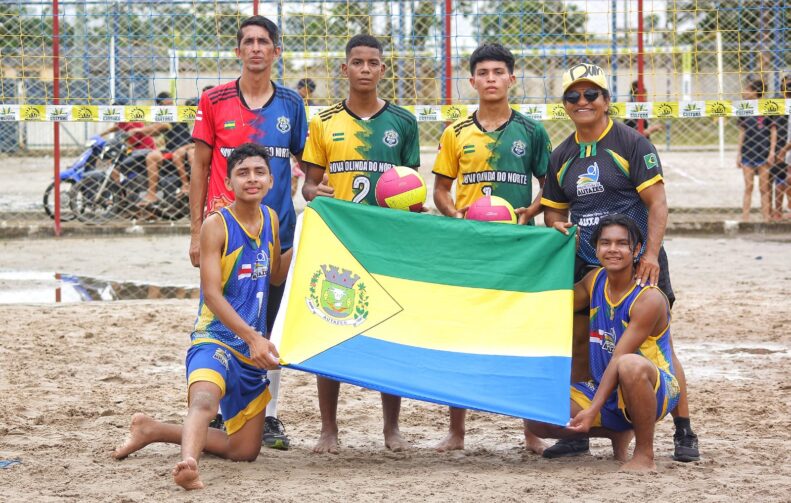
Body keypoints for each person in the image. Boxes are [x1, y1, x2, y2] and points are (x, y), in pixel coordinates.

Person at [540, 62, 699, 462]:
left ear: (606, 101)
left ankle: (683, 429)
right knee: (580, 340)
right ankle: (583, 431)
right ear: (565, 105)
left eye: (591, 94)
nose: (582, 102)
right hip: (588, 266)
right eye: (573, 96)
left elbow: (658, 204)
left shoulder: (631, 144)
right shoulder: (562, 154)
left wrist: (649, 255)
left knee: (657, 344)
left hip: (636, 262)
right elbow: (553, 213)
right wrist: (558, 225)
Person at [112, 143, 290, 490]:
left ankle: (152, 429)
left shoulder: (271, 219)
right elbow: (212, 293)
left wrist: (312, 241)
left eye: (258, 172)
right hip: (215, 338)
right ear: (229, 181)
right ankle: (189, 463)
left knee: (243, 451)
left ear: (271, 180)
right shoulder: (217, 224)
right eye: (242, 173)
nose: (251, 179)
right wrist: (253, 337)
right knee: (205, 402)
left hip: (250, 352)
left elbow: (276, 278)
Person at [189, 15, 308, 450]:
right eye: (249, 42)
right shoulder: (214, 99)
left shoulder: (292, 103)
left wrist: (318, 194)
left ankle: (268, 415)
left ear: (276, 52)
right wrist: (193, 231)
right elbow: (200, 166)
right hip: (228, 235)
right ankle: (220, 408)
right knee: (224, 316)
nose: (256, 48)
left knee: (272, 324)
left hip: (276, 231)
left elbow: (306, 167)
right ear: (238, 51)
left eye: (265, 42)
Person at [301, 34, 420, 453]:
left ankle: (392, 429)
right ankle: (328, 429)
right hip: (340, 243)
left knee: (391, 332)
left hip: (388, 244)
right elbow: (309, 187)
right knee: (330, 327)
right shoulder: (323, 122)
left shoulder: (403, 123)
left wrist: (417, 208)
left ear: (382, 69)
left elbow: (410, 187)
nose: (365, 69)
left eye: (373, 62)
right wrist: (314, 193)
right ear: (345, 68)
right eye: (358, 62)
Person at [431, 42, 551, 453]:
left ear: (512, 79)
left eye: (499, 72)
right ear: (472, 82)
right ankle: (456, 431)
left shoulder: (532, 131)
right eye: (483, 73)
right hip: (471, 248)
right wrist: (458, 218)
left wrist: (529, 211)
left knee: (523, 333)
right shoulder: (456, 133)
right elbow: (440, 191)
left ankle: (532, 432)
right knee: (462, 332)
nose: (491, 79)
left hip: (519, 246)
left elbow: (550, 187)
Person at [525, 215, 681, 472]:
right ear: (595, 249)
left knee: (630, 365)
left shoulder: (648, 298)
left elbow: (620, 358)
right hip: (604, 386)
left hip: (656, 387)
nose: (612, 249)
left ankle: (645, 454)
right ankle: (617, 432)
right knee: (537, 416)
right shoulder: (595, 279)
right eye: (605, 243)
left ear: (636, 250)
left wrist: (591, 409)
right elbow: (553, 301)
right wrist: (558, 249)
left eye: (621, 243)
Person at [126, 92, 193, 207]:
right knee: (151, 156)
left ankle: (187, 185)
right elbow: (155, 131)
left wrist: (139, 130)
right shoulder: (160, 115)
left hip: (186, 146)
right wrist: (143, 131)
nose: (169, 104)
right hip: (171, 149)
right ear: (160, 105)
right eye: (166, 102)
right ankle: (152, 195)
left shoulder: (176, 113)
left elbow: (162, 126)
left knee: (186, 155)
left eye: (170, 101)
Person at [736, 79, 777, 222]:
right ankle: (745, 219)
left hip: (764, 153)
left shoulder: (766, 108)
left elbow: (773, 130)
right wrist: (738, 154)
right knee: (748, 187)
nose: (743, 92)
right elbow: (742, 132)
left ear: (755, 92)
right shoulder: (743, 108)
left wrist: (772, 151)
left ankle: (766, 218)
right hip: (748, 153)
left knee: (764, 188)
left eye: (746, 89)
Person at [771, 75, 791, 220]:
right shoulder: (777, 105)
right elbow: (772, 127)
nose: (788, 88)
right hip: (779, 147)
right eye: (786, 85)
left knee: (789, 181)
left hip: (788, 148)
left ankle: (789, 209)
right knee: (779, 182)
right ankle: (777, 211)